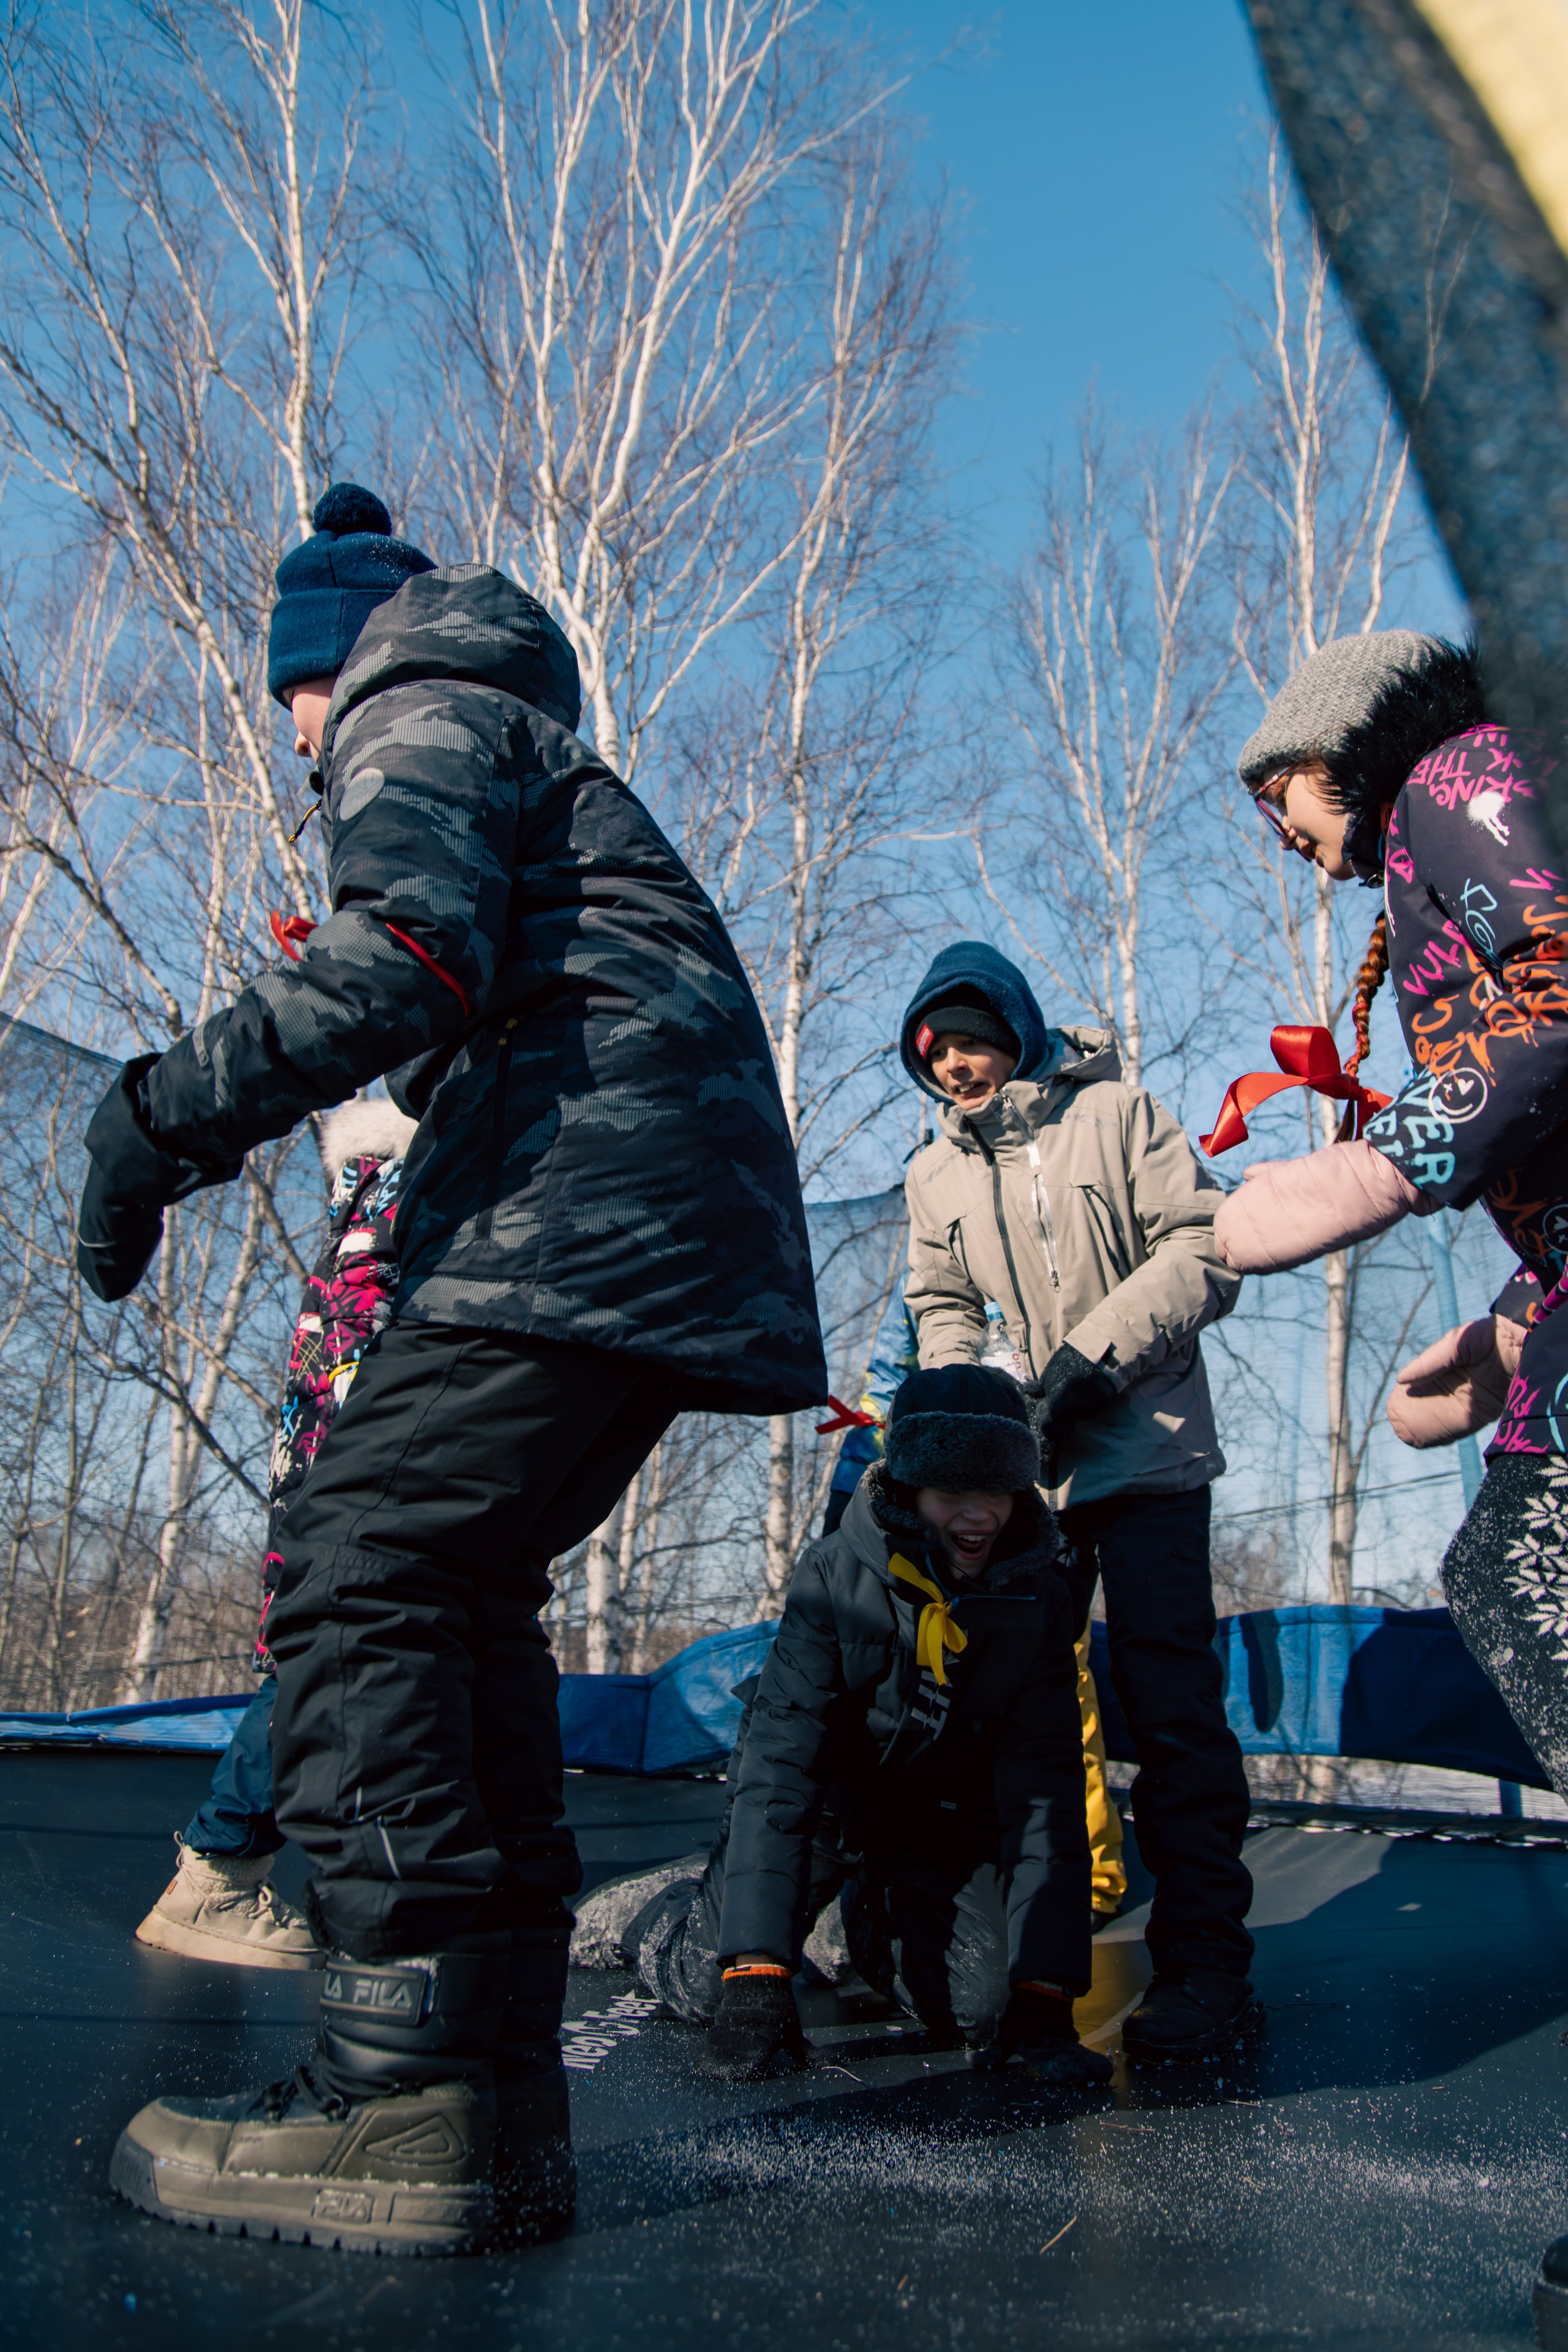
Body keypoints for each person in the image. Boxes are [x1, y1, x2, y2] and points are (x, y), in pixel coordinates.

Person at [86, 483, 826, 2256]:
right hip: (662, 1220)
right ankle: (488, 2093)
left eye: (287, 704)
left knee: (364, 1563)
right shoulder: (521, 744)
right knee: (459, 1589)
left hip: (585, 1211)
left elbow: (401, 956)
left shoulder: (411, 714)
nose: (288, 740)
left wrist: (151, 1123)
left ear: (320, 670)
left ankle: (401, 2091)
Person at [1213, 633, 1568, 1804]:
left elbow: (1560, 995)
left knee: (1522, 1578)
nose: (1290, 843)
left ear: (1344, 741)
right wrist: (1516, 1322)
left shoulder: (1457, 780)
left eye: (1281, 801)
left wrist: (1371, 1170)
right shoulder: (1442, 820)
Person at [900, 941, 1261, 2064]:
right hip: (1031, 1483)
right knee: (1027, 1716)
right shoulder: (933, 1172)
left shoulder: (1120, 1114)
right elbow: (943, 1303)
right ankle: (1037, 1973)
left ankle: (1206, 1971)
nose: (955, 1064)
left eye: (969, 1039)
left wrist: (1091, 1361)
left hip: (1146, 1460)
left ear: (1013, 1027)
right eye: (933, 1052)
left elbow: (1207, 1244)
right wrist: (972, 1403)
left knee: (1171, 1711)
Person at [620, 1366, 1109, 2086]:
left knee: (986, 2010)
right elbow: (780, 1767)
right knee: (706, 1988)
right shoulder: (832, 1575)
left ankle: (853, 1929)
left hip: (928, 1824)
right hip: (822, 1806)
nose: (979, 1518)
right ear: (912, 1490)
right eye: (953, 1494)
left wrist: (1045, 1996)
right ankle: (655, 1913)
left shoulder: (1039, 1597)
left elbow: (1046, 1791)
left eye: (997, 1493)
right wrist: (755, 1975)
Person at [135, 1098, 415, 1970]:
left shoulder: (366, 1186)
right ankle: (216, 1871)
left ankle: (363, 1883)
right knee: (333, 1649)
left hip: (324, 1444)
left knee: (356, 1648)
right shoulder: (424, 1178)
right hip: (369, 1448)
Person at [823, 1288, 1128, 1926]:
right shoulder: (928, 1282)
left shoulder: (1047, 1272)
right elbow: (884, 1383)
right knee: (893, 1679)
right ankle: (864, 1854)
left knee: (1055, 1674)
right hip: (932, 1516)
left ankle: (1085, 1876)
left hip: (1031, 1504)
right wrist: (858, 1489)